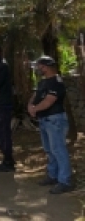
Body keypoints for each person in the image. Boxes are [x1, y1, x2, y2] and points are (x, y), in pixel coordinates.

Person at [28, 56, 72, 194]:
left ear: (46, 67)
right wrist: (30, 105)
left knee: (58, 149)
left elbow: (49, 101)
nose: (38, 69)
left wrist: (35, 109)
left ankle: (65, 181)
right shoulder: (43, 82)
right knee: (49, 150)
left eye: (39, 66)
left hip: (55, 120)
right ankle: (53, 175)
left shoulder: (56, 82)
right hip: (44, 120)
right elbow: (35, 95)